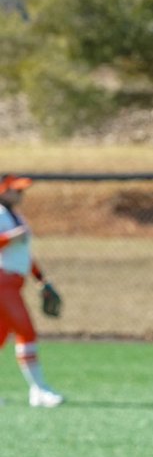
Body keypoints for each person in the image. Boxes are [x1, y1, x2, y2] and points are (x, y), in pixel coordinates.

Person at [0, 173, 65, 408]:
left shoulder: (16, 216)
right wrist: (8, 238)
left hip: (13, 282)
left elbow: (24, 255)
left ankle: (39, 390)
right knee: (26, 331)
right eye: (16, 190)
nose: (20, 195)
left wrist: (41, 279)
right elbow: (7, 243)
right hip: (2, 283)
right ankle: (39, 390)